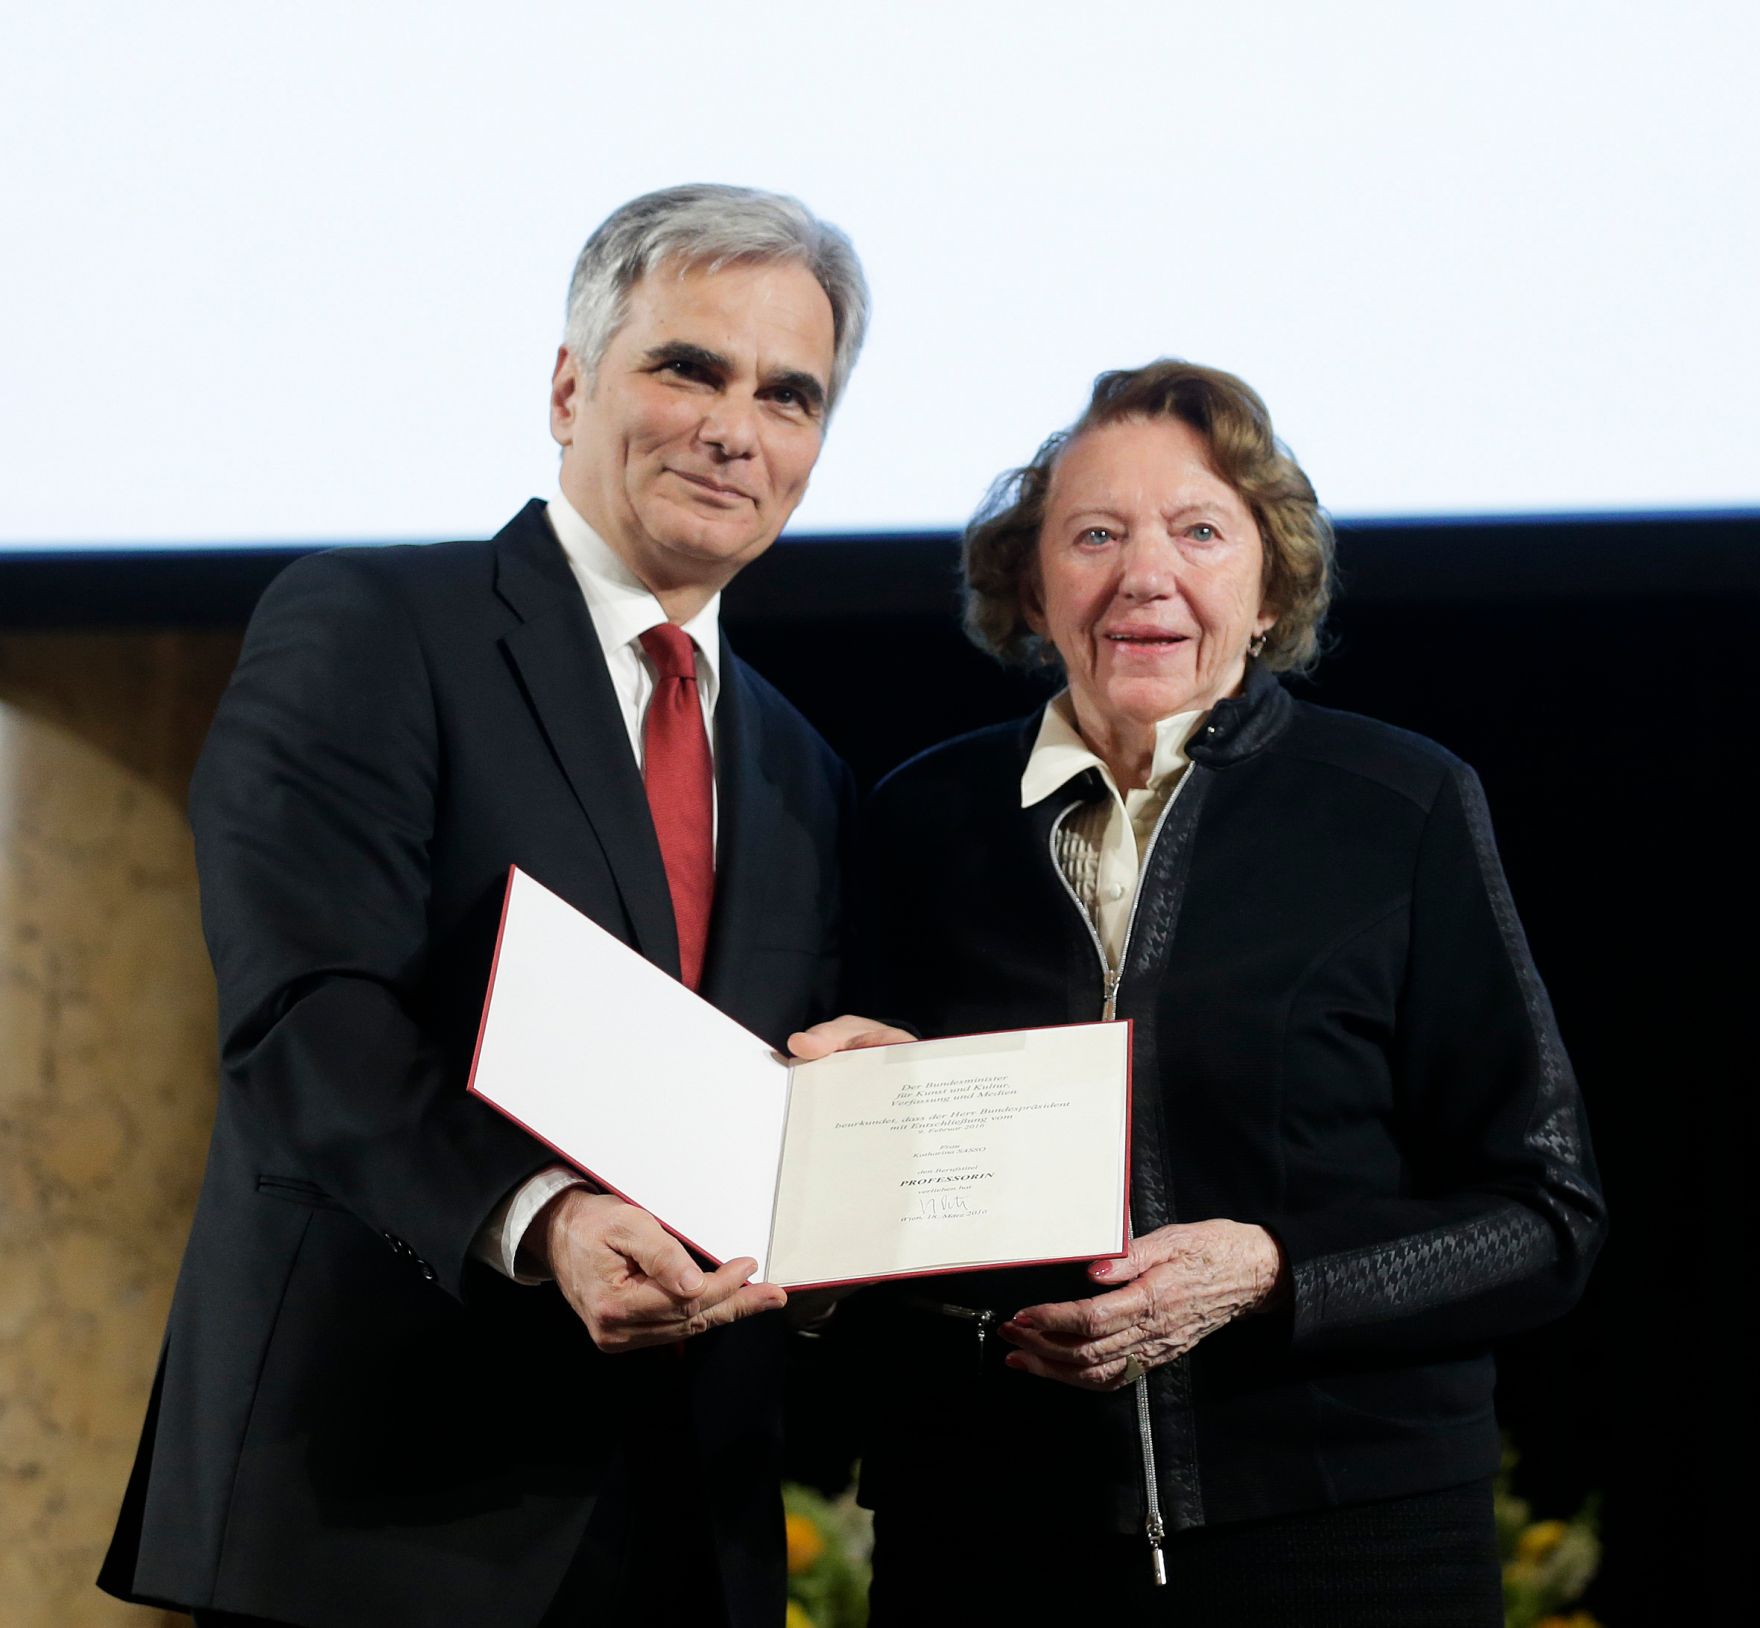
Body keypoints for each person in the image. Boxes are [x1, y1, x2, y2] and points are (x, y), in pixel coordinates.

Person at [99, 183, 893, 1628]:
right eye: (687, 367)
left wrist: (835, 1160)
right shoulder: (372, 627)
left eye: (791, 395)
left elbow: (739, 1116)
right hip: (378, 1520)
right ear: (569, 383)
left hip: (680, 1534)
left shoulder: (805, 769)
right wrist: (541, 1220)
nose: (738, 426)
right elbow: (304, 1012)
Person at [821, 360, 1606, 1624]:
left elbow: (1544, 1213)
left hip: (1346, 1542)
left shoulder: (1397, 805)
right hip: (987, 1537)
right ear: (1029, 584)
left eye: (1197, 530)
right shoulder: (917, 821)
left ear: (1267, 586)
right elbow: (861, 1239)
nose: (1144, 573)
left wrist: (1271, 1270)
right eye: (1093, 533)